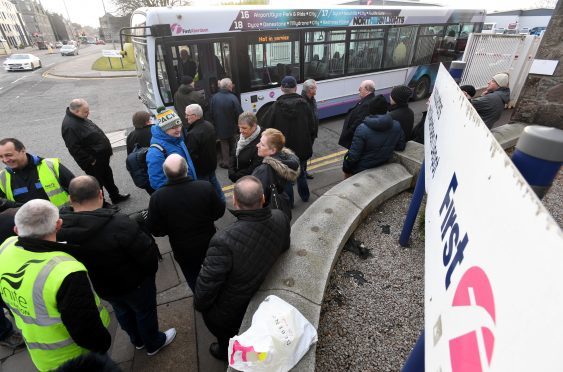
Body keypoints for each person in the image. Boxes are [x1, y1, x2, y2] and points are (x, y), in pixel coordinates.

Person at [57, 175, 176, 356]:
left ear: (71, 199)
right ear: (101, 194)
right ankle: (153, 342)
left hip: (102, 286)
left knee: (122, 312)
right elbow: (146, 255)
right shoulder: (120, 223)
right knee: (144, 312)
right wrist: (149, 274)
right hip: (134, 283)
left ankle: (136, 340)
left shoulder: (61, 229)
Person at [0, 199, 111, 371]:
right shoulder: (65, 271)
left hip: (42, 357)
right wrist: (103, 344)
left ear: (16, 230)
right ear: (58, 225)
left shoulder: (5, 248)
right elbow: (85, 329)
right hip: (77, 358)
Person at [194, 175, 290, 361]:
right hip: (266, 294)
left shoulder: (223, 241)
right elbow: (285, 247)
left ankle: (226, 351)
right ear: (263, 198)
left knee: (225, 335)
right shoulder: (280, 217)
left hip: (232, 313)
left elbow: (203, 295)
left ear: (235, 201)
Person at [147, 154, 225, 292]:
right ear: (187, 169)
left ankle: (200, 298)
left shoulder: (157, 198)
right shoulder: (205, 187)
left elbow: (155, 229)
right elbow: (219, 211)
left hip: (183, 249)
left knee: (193, 276)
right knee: (216, 270)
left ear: (165, 174)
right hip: (209, 241)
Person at [61, 98, 130, 204]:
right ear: (76, 111)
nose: (88, 113)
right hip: (93, 162)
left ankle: (115, 196)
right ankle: (102, 204)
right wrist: (91, 160)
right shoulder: (70, 126)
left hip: (101, 159)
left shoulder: (79, 117)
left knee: (107, 177)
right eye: (85, 112)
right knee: (97, 184)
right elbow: (74, 149)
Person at [261, 76, 315, 204]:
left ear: (281, 88)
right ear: (296, 88)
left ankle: (289, 203)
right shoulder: (305, 105)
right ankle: (305, 196)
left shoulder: (275, 107)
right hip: (302, 147)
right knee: (301, 172)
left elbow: (265, 126)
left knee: (286, 176)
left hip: (284, 149)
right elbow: (312, 127)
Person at [342, 95, 406, 177]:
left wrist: (346, 168)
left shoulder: (362, 129)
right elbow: (401, 146)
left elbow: (353, 157)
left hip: (361, 169)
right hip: (383, 164)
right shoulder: (396, 125)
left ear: (370, 109)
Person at [0, 138, 74, 208]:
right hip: (27, 221)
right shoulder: (2, 177)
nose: (5, 160)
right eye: (1, 156)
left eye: (8, 155)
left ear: (23, 150)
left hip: (61, 219)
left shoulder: (51, 166)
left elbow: (78, 191)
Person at [252, 128, 299, 218]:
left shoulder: (263, 170)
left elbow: (256, 200)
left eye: (262, 144)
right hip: (283, 210)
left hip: (268, 215)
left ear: (273, 151)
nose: (257, 145)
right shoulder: (286, 160)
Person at [146, 108, 197, 190]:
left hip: (190, 187)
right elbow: (157, 182)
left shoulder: (176, 138)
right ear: (164, 129)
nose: (178, 130)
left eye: (179, 125)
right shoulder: (155, 152)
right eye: (173, 127)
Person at [184, 104, 225, 202]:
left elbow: (191, 155)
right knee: (214, 183)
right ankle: (221, 200)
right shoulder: (208, 125)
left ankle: (211, 206)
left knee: (205, 190)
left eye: (187, 115)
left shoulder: (193, 134)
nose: (186, 117)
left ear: (194, 116)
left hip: (201, 169)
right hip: (211, 164)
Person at [209, 78, 243, 168]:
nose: (232, 86)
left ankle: (226, 162)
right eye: (231, 84)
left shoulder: (214, 97)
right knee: (233, 142)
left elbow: (211, 113)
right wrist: (239, 125)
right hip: (232, 126)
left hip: (219, 126)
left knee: (224, 143)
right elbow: (239, 113)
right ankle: (235, 160)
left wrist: (214, 124)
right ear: (228, 86)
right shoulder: (233, 97)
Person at [339, 80, 377, 149]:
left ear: (367, 90)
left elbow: (358, 122)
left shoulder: (367, 104)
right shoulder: (367, 99)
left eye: (361, 88)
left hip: (355, 140)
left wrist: (347, 133)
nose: (358, 90)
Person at [228, 112, 262, 183]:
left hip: (251, 181)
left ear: (254, 126)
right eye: (239, 127)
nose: (240, 131)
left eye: (244, 128)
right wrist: (231, 170)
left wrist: (236, 176)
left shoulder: (262, 141)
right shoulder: (241, 137)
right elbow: (233, 153)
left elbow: (255, 166)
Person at [301, 79, 319, 180]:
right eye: (315, 87)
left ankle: (304, 171)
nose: (316, 89)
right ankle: (300, 174)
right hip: (306, 135)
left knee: (306, 155)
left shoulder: (312, 99)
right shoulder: (303, 102)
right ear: (309, 89)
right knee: (302, 155)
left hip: (311, 133)